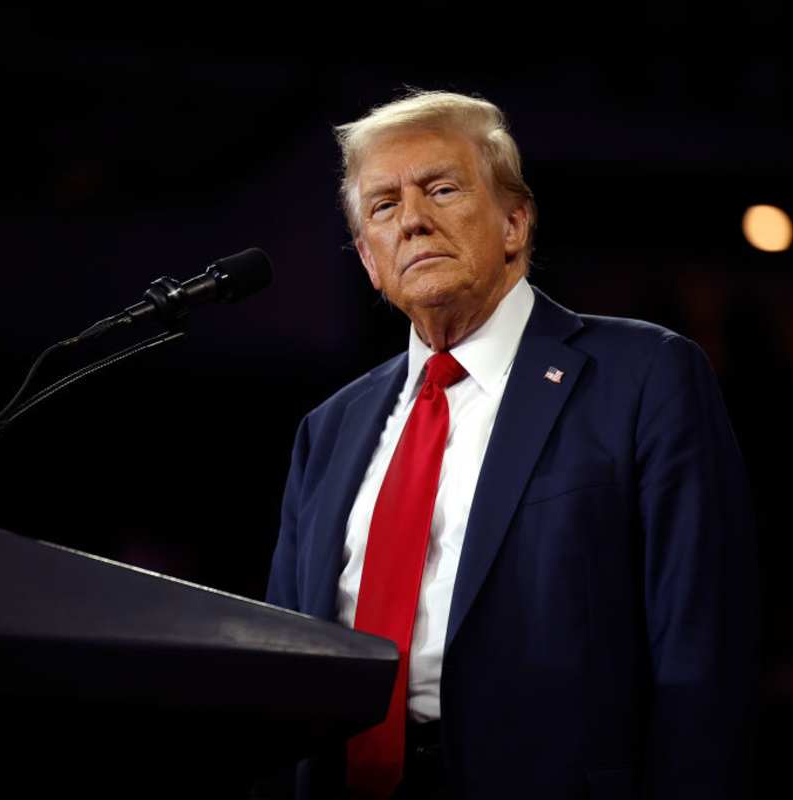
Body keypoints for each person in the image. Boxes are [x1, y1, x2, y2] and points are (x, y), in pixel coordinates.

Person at [266, 90, 758, 800]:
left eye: (441, 188)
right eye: (382, 206)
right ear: (370, 263)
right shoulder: (330, 429)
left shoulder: (645, 376)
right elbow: (287, 667)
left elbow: (703, 651)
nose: (412, 219)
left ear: (514, 223)